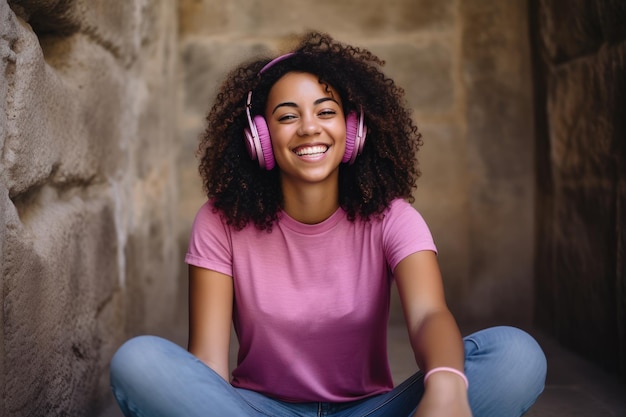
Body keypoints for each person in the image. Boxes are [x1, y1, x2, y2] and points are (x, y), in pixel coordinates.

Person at [109, 31, 546, 417]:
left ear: (352, 129)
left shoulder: (393, 219)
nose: (308, 128)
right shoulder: (220, 221)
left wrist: (448, 384)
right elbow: (206, 363)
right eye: (286, 116)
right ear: (259, 139)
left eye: (325, 111)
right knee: (139, 362)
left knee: (517, 356)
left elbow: (429, 315)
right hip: (257, 410)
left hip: (371, 410)